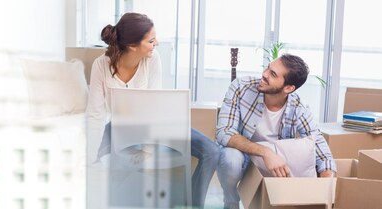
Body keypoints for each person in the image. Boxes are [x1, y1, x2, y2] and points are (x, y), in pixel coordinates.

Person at [85, 12, 219, 208]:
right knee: (87, 158)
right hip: (120, 127)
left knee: (212, 151)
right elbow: (95, 115)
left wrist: (148, 147)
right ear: (133, 46)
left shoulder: (152, 59)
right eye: (151, 40)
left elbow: (154, 108)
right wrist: (90, 155)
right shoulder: (101, 65)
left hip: (157, 124)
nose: (156, 43)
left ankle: (193, 204)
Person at [215, 54, 337, 209]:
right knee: (230, 159)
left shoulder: (299, 107)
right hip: (245, 154)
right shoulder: (240, 87)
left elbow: (318, 143)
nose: (264, 74)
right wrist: (266, 153)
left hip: (273, 164)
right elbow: (224, 132)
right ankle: (231, 201)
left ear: (288, 88)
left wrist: (326, 187)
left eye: (273, 74)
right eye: (268, 68)